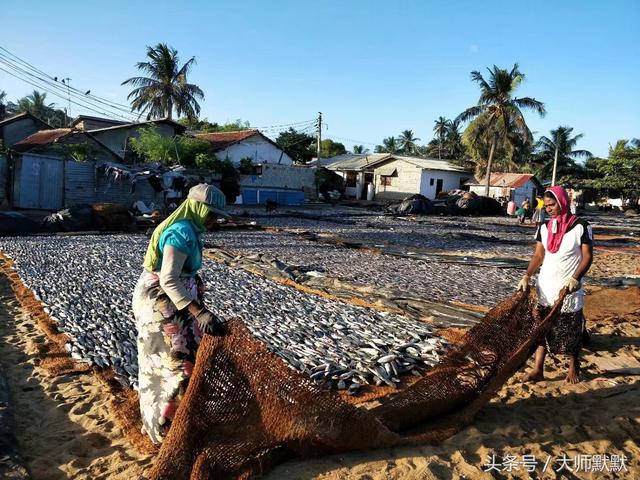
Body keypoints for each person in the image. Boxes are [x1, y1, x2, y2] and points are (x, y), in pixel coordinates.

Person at [132, 184, 229, 444]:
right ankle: (167, 431)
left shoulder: (191, 228)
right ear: (197, 207)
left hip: (176, 303)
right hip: (163, 305)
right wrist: (199, 312)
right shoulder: (180, 232)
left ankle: (162, 422)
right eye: (211, 213)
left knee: (171, 363)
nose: (214, 219)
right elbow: (168, 279)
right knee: (177, 365)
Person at [517, 186, 593, 384]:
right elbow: (539, 255)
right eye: (546, 205)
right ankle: (538, 369)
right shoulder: (544, 228)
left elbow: (587, 257)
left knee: (570, 328)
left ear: (562, 202)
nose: (548, 209)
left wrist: (575, 278)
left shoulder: (581, 226)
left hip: (568, 287)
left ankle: (573, 366)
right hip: (546, 285)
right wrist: (527, 275)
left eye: (552, 205)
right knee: (542, 328)